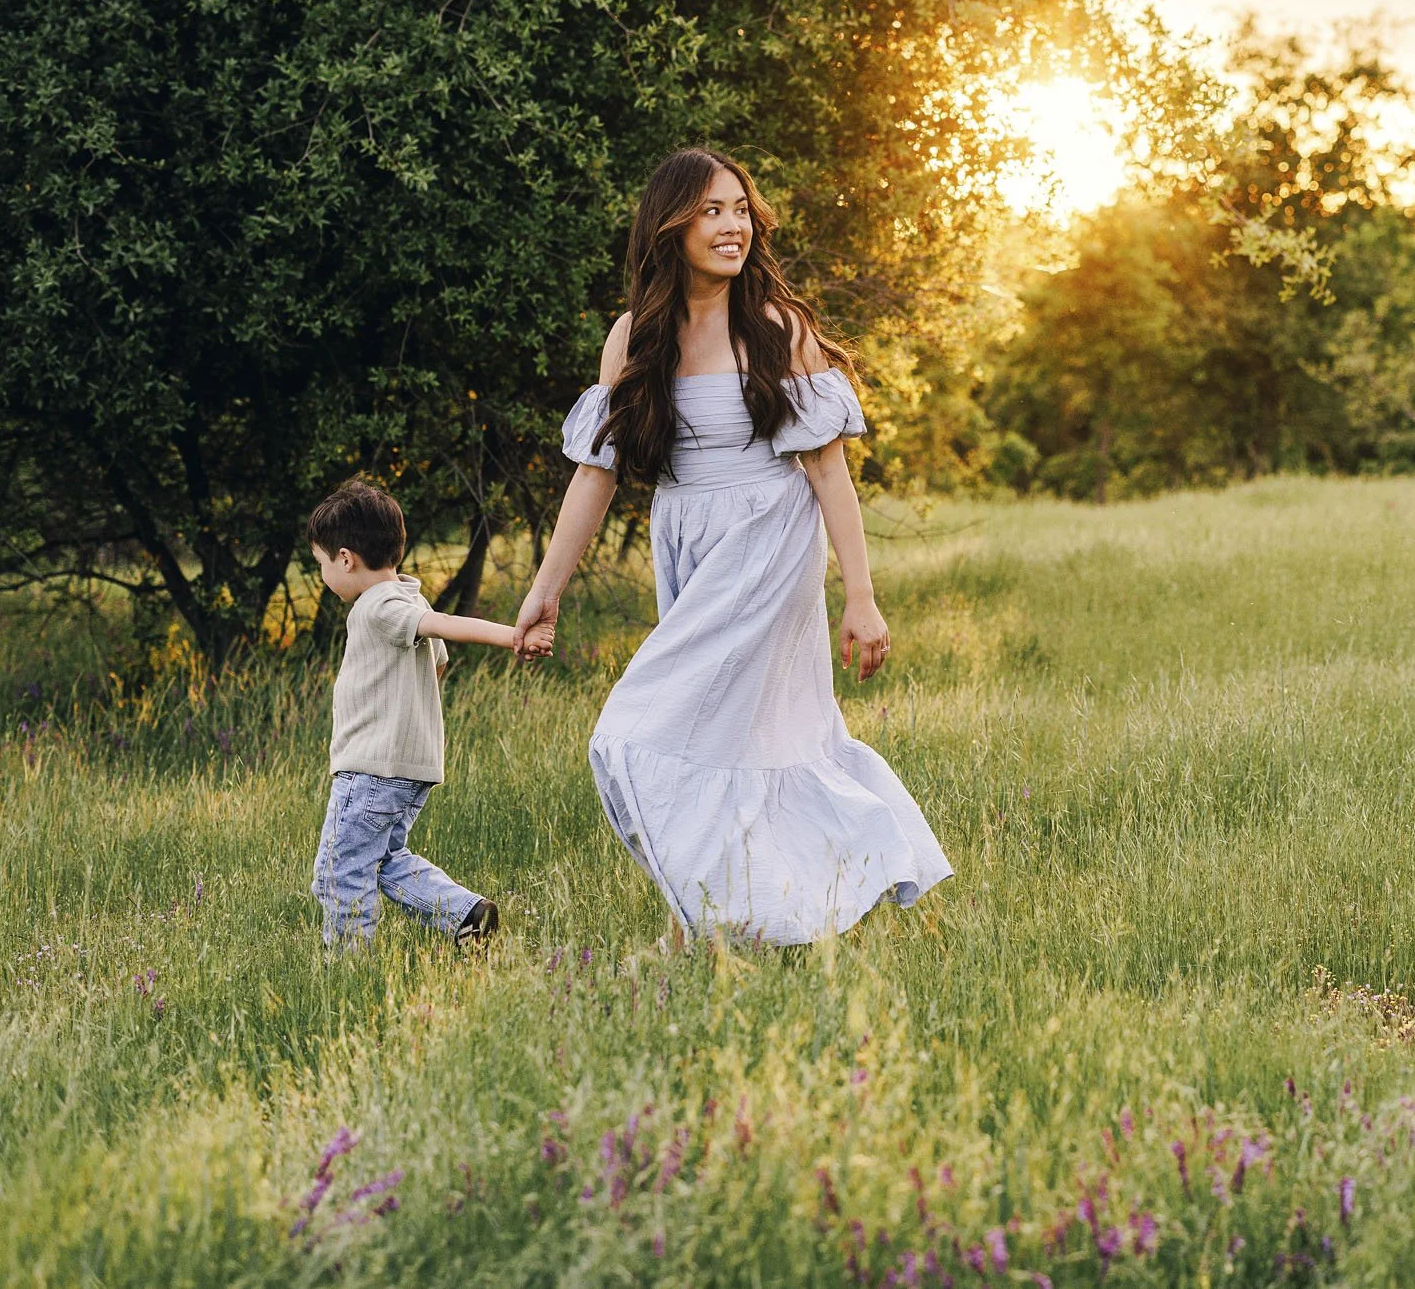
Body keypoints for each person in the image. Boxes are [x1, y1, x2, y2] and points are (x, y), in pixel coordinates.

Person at [511, 147, 951, 945]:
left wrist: (860, 595)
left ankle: (713, 915)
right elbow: (594, 476)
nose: (732, 225)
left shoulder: (780, 329)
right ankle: (725, 914)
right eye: (713, 209)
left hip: (767, 541)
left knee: (635, 730)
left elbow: (828, 473)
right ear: (670, 223)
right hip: (687, 536)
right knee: (734, 736)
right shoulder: (634, 337)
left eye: (741, 209)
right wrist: (549, 587)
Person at [307, 478, 515, 947]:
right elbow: (437, 663)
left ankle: (346, 969)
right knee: (380, 859)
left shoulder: (378, 605)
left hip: (372, 767)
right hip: (406, 769)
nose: (323, 575)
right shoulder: (406, 597)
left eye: (321, 563)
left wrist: (512, 636)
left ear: (345, 558)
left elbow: (441, 627)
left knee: (340, 873)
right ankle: (465, 914)